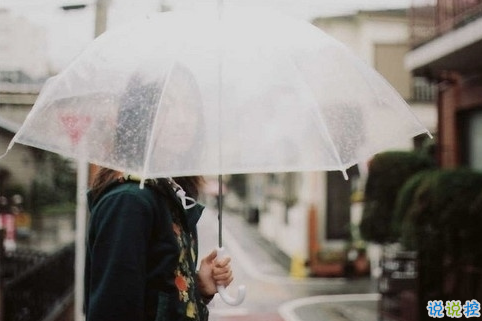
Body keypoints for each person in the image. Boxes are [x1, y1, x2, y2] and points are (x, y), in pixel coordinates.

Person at [84, 167, 233, 321]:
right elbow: (114, 309)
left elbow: (158, 297)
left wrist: (198, 289)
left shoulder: (168, 197)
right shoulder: (129, 201)